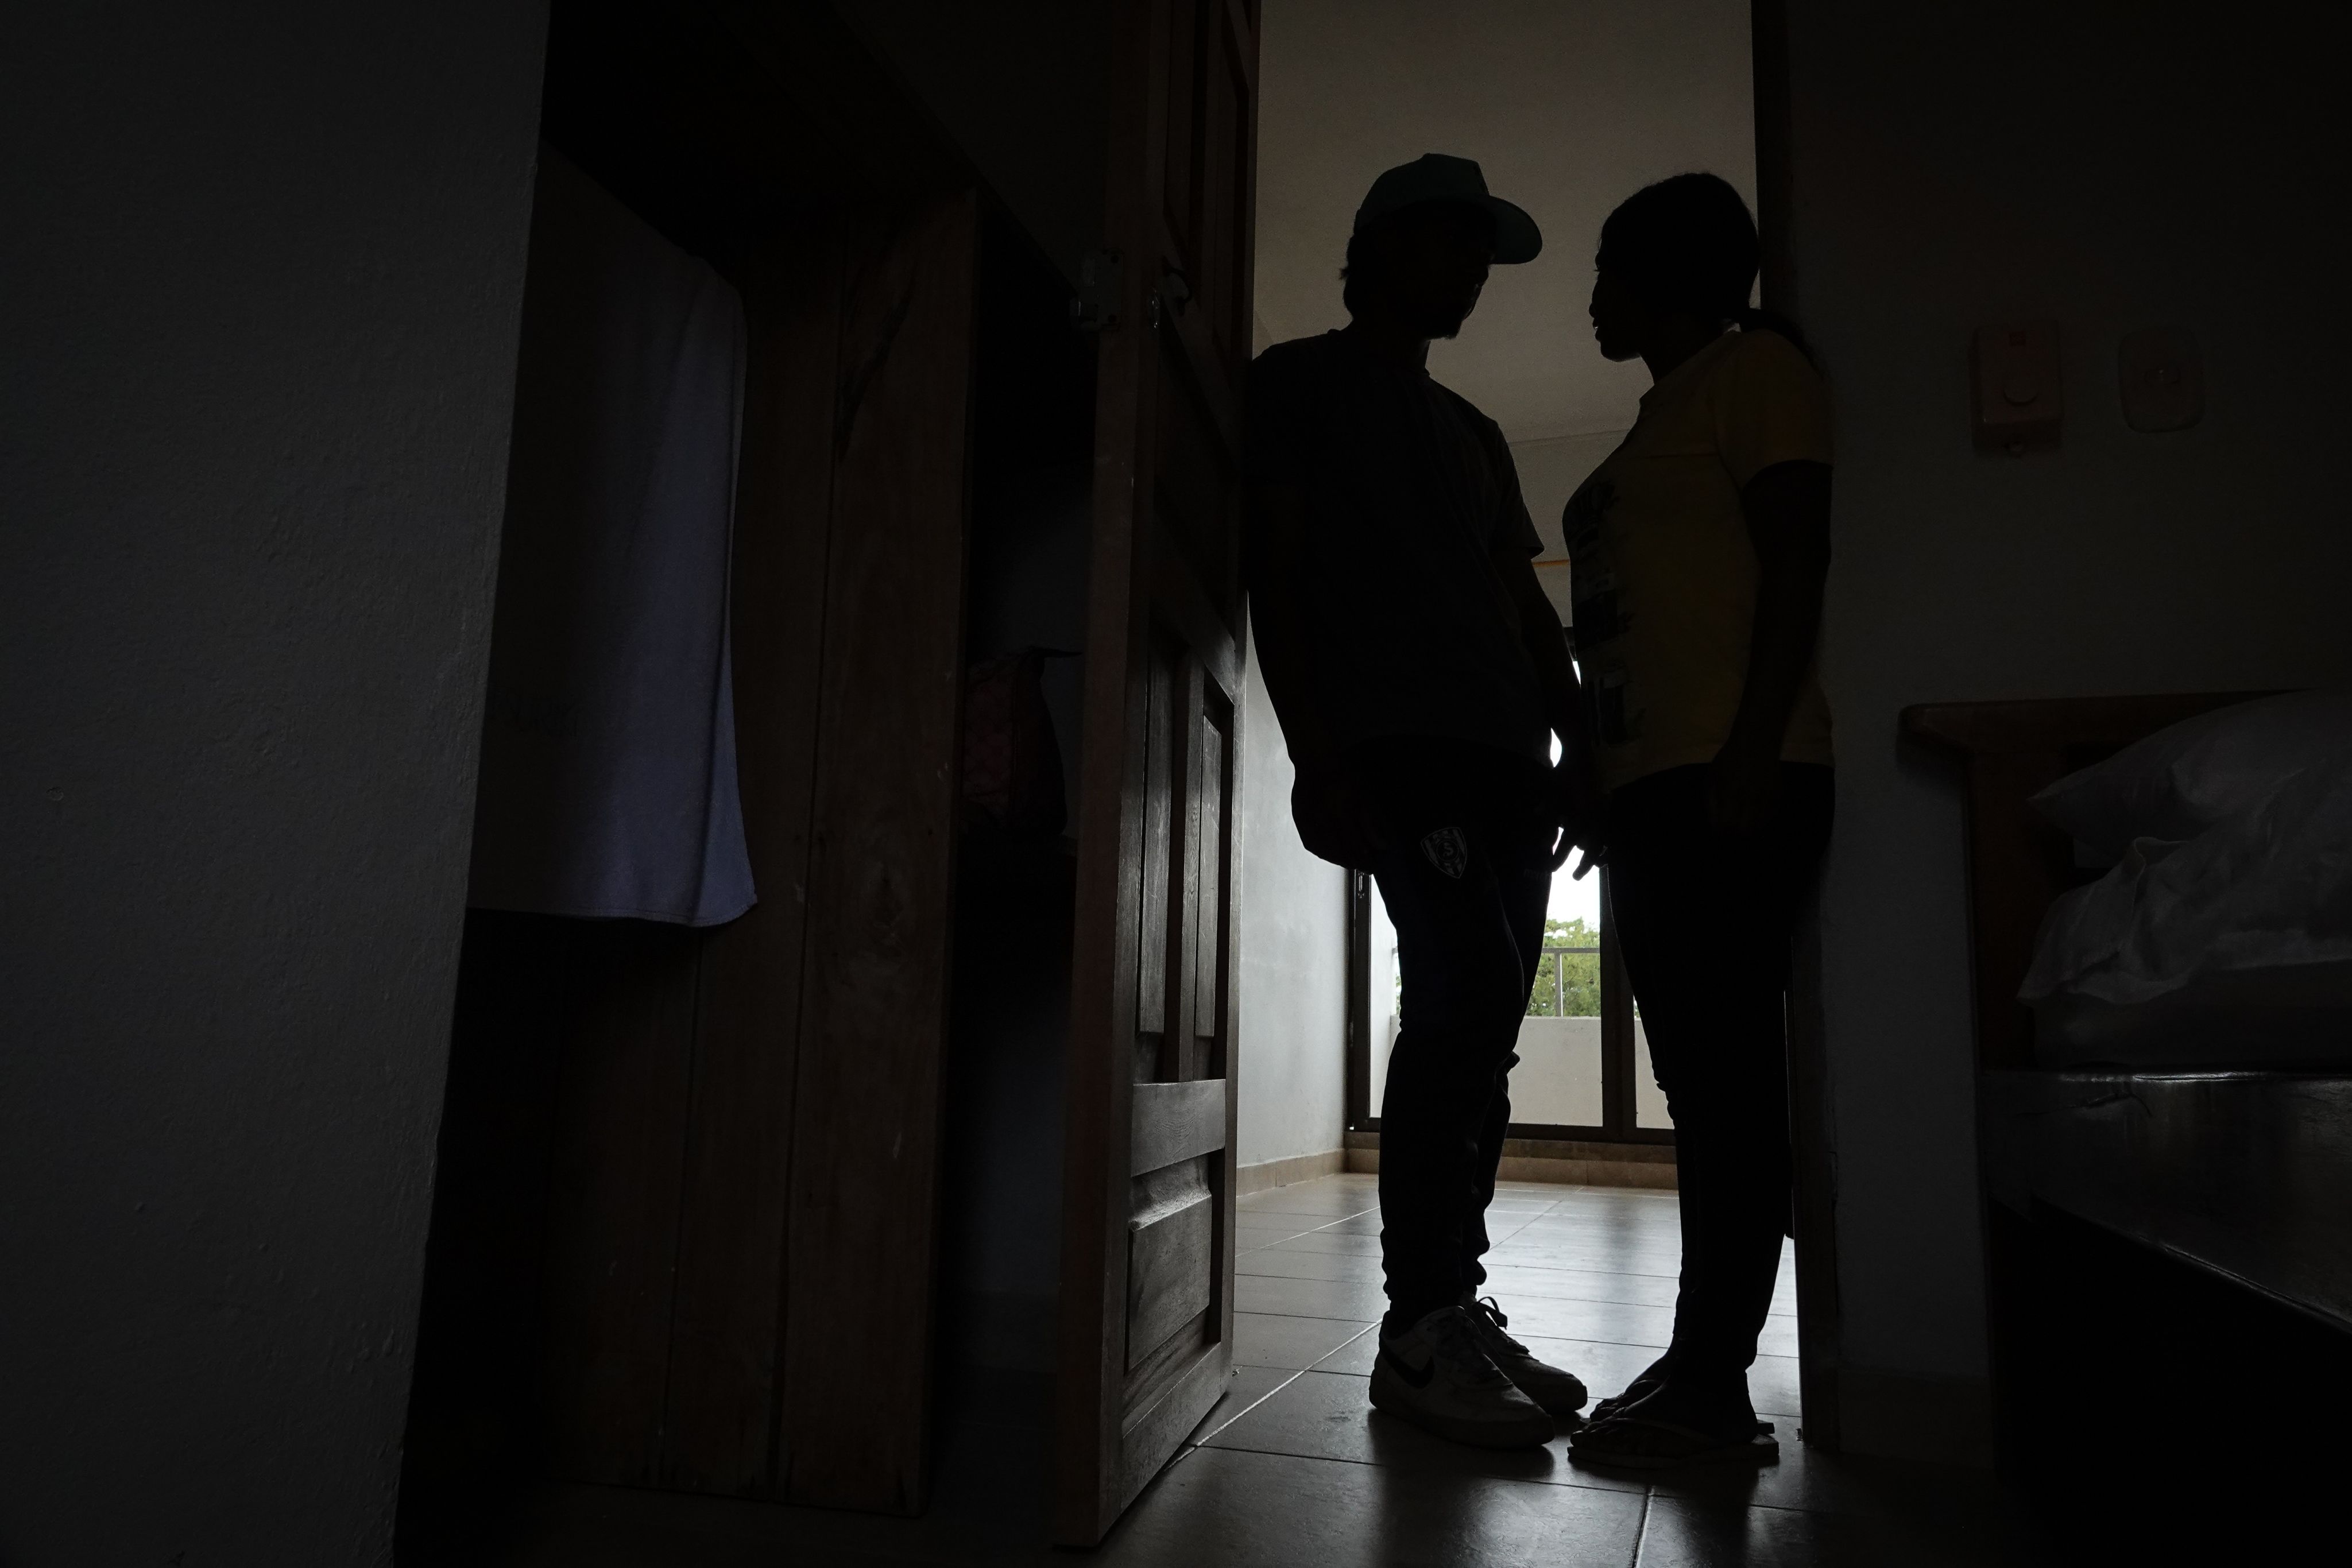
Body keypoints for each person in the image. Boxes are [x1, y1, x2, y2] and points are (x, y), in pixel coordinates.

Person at [1245, 153, 1605, 1449]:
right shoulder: (1294, 384)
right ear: (1379, 245)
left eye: (1480, 257)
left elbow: (1524, 606)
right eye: (1452, 246)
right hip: (1400, 748)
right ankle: (1415, 1330)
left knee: (1488, 1028)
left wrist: (1583, 749)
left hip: (1509, 758)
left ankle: (1454, 1306)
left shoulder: (1477, 435)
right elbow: (1275, 578)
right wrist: (1312, 750)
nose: (1469, 276)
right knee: (1457, 995)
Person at [1558, 172, 1836, 1468]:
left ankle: (1713, 1393)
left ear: (1670, 274)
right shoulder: (1662, 411)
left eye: (1611, 270)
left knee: (1724, 1086)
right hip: (1652, 790)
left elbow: (1797, 559)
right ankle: (1696, 1363)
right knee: (1701, 1084)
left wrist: (1744, 752)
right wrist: (1588, 774)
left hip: (1731, 775)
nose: (1593, 297)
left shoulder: (1751, 373)